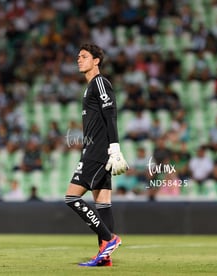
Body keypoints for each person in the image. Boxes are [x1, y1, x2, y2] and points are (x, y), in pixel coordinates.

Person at [65, 44, 128, 267]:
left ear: (96, 61)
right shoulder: (89, 87)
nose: (78, 59)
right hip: (97, 149)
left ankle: (109, 239)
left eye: (84, 56)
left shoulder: (99, 82)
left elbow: (111, 114)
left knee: (71, 197)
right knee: (103, 203)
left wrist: (114, 148)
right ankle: (104, 257)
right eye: (77, 56)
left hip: (99, 151)